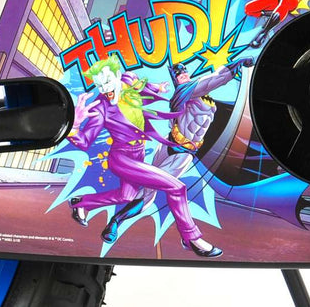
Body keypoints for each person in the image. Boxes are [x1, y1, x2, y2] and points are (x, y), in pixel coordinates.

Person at [66, 57, 222, 257]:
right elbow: (84, 142)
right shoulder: (100, 108)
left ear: (117, 76)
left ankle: (80, 202)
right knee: (176, 187)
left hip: (138, 153)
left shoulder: (128, 80)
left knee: (126, 196)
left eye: (109, 84)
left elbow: (143, 85)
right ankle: (191, 237)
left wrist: (158, 88)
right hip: (122, 159)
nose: (107, 91)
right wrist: (74, 126)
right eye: (101, 87)